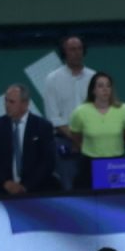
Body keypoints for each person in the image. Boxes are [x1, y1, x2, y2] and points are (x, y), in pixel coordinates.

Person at [65, 72, 125, 191]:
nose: (105, 89)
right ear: (93, 90)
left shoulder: (124, 110)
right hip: (90, 164)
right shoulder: (80, 112)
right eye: (100, 86)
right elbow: (76, 135)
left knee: (117, 198)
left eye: (108, 85)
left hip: (116, 163)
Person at [0, 84, 57, 196]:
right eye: (6, 101)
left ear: (25, 104)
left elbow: (48, 161)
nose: (7, 105)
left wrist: (26, 187)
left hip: (35, 189)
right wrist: (6, 183)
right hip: (2, 188)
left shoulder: (42, 126)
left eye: (11, 102)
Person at [44, 35, 96, 190]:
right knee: (69, 187)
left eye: (79, 49)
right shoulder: (52, 79)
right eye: (72, 49)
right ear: (64, 52)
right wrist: (76, 139)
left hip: (92, 140)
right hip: (64, 141)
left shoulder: (94, 77)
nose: (76, 53)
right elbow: (53, 117)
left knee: (95, 185)